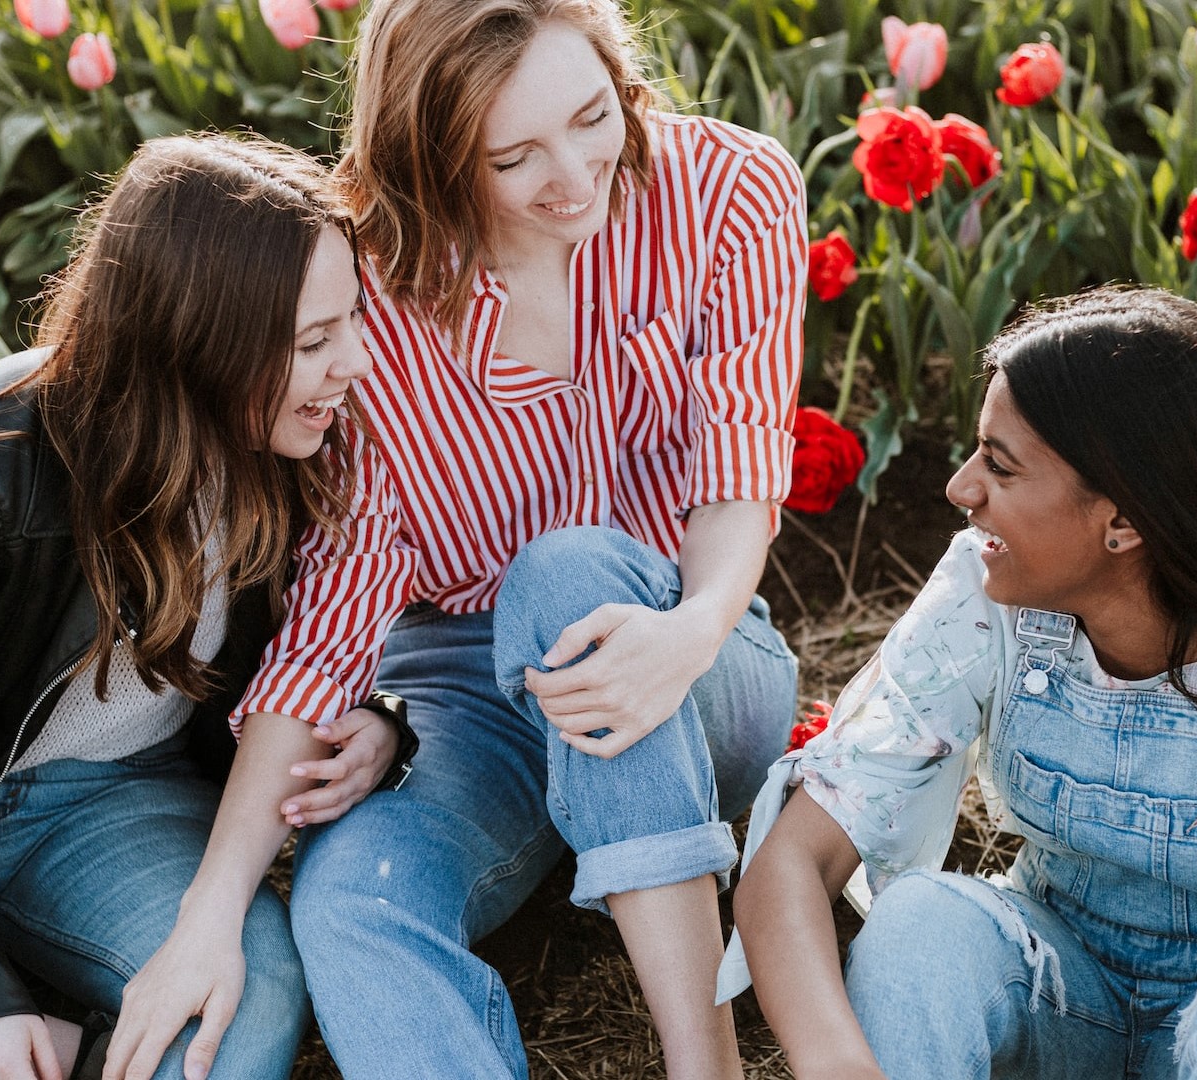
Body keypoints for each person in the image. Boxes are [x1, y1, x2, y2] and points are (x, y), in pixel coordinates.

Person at [0, 133, 410, 1080]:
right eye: (313, 341)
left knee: (243, 1000)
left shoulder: (310, 452)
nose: (357, 363)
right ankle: (50, 1055)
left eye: (350, 321)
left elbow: (325, 645)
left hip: (102, 804)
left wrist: (374, 721)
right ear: (194, 344)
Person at [232, 1, 806, 1076]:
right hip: (469, 690)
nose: (576, 177)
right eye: (512, 156)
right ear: (429, 156)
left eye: (593, 116)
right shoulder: (370, 284)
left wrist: (688, 630)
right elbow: (344, 588)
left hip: (697, 649)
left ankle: (703, 1061)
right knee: (355, 901)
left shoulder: (731, 190)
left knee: (566, 572)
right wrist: (220, 904)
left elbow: (738, 468)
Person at [728, 286, 1197, 1080]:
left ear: (1124, 521)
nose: (961, 488)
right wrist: (839, 1066)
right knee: (920, 924)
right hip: (1062, 997)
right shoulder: (986, 600)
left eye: (999, 465)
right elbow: (790, 865)